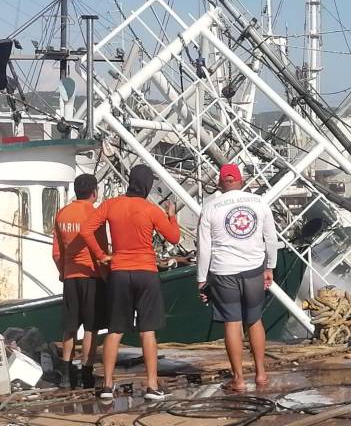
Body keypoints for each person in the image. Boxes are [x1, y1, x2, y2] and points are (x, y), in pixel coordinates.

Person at [80, 165, 180, 400]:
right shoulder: (150, 209)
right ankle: (152, 385)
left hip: (119, 272)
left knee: (115, 330)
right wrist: (172, 215)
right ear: (146, 184)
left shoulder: (111, 205)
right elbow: (174, 237)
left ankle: (107, 385)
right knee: (147, 330)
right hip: (146, 271)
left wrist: (102, 255)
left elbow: (86, 230)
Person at [197, 163, 278, 391]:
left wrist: (202, 279)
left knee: (232, 323)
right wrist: (269, 267)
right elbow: (270, 238)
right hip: (253, 269)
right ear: (241, 181)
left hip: (224, 272)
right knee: (254, 319)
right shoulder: (259, 202)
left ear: (220, 183)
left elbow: (204, 247)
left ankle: (239, 379)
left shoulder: (210, 207)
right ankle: (261, 374)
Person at [51, 174, 108, 389]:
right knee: (91, 328)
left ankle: (66, 373)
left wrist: (63, 271)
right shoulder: (95, 215)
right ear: (94, 192)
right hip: (91, 276)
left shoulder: (62, 214)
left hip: (70, 277)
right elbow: (100, 249)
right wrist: (106, 274)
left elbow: (57, 253)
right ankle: (87, 372)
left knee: (70, 326)